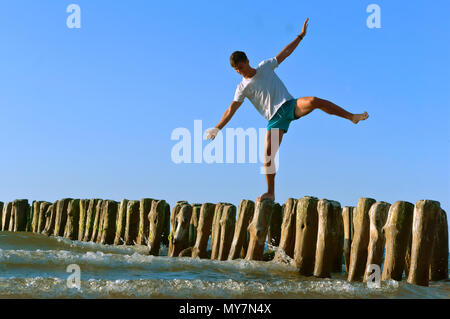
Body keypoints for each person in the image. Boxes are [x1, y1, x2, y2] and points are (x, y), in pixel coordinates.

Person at [206, 18, 369, 202]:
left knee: (315, 100)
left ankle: (351, 117)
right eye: (236, 70)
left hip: (290, 105)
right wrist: (218, 127)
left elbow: (285, 53)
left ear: (247, 61)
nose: (240, 72)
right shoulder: (242, 88)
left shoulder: (265, 67)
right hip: (275, 119)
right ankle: (270, 193)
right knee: (268, 154)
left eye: (241, 67)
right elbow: (231, 109)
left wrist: (300, 36)